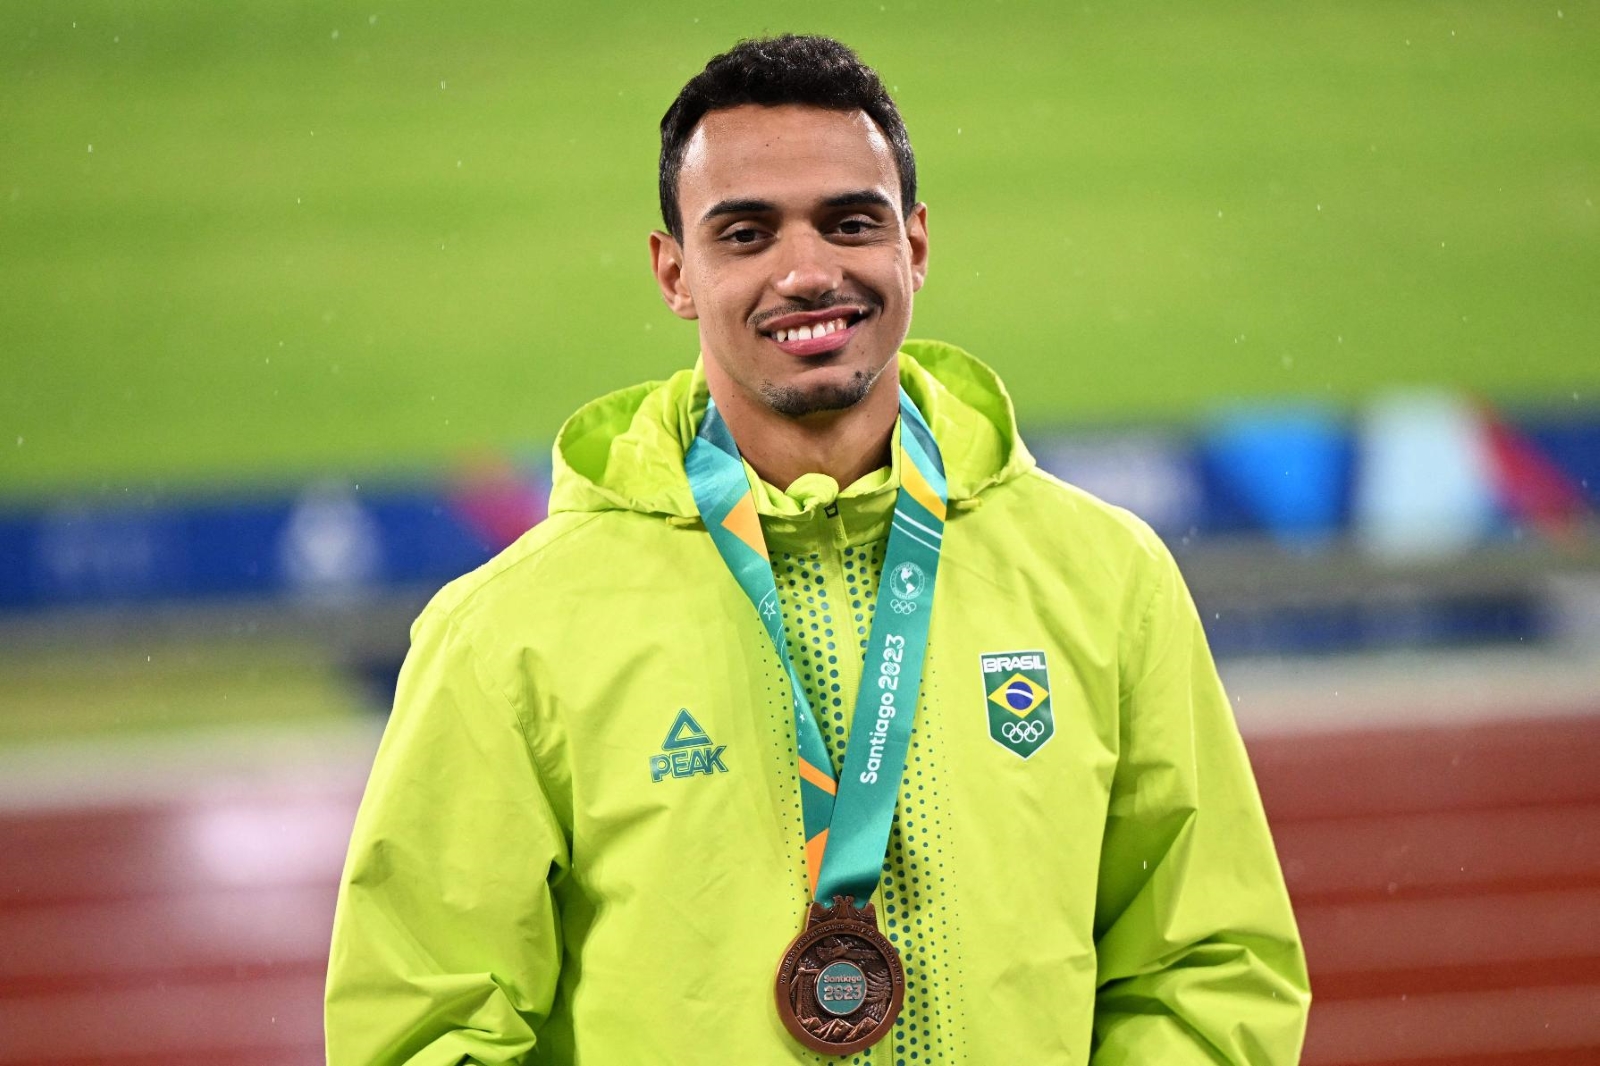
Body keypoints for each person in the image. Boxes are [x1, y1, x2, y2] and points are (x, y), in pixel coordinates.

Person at [325, 34, 1310, 1064]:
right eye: (746, 234)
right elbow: (426, 1026)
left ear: (914, 246)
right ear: (674, 270)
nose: (806, 273)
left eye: (849, 224)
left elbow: (1207, 961)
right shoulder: (509, 632)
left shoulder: (1106, 579)